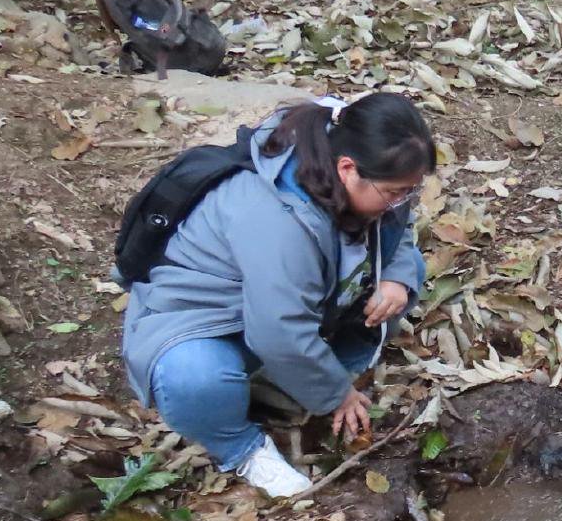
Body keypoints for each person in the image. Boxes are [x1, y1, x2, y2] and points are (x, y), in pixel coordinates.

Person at [121, 93, 435, 497]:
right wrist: (335, 395)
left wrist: (397, 274)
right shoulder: (274, 217)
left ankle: (303, 384)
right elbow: (278, 332)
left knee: (407, 274)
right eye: (396, 192)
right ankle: (242, 447)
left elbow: (399, 227)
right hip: (208, 318)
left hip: (293, 305)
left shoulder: (363, 163)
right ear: (347, 170)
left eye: (411, 190)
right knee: (195, 378)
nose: (402, 201)